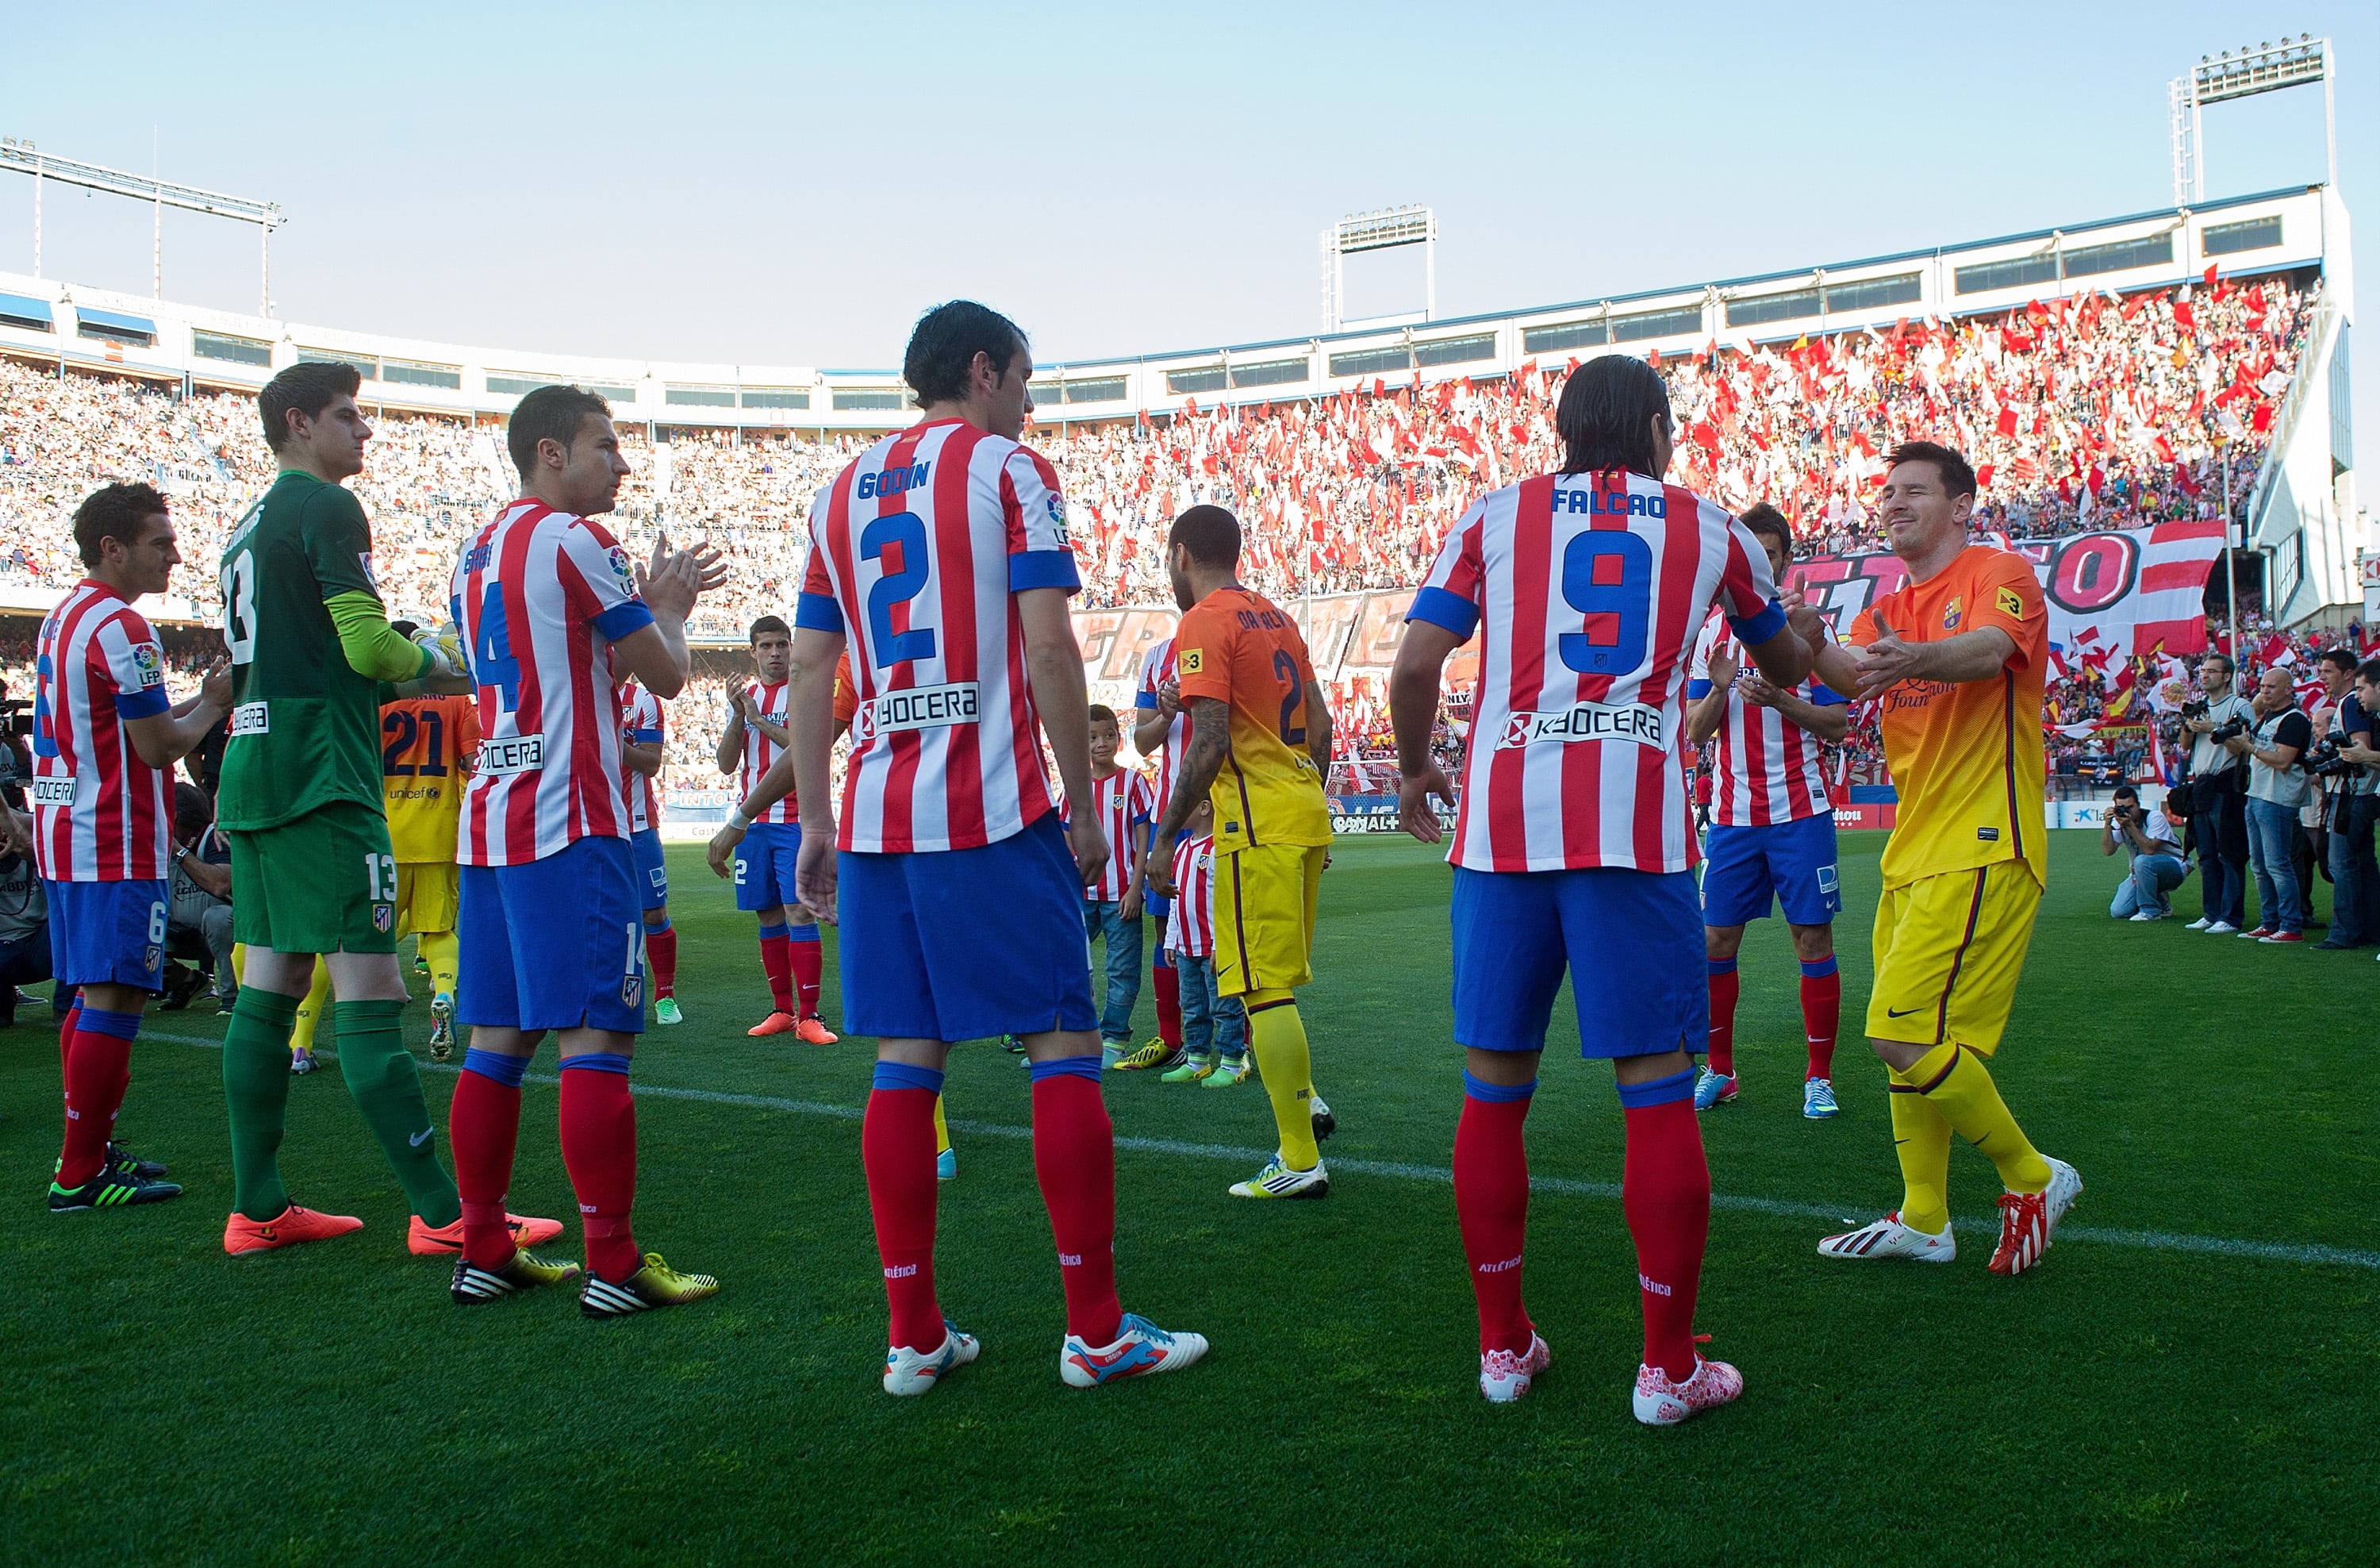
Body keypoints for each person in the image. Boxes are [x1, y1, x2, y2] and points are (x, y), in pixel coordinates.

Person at [710, 299, 1204, 1393]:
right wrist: (1083, 801)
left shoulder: (837, 493)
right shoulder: (1007, 472)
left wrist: (822, 822)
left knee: (903, 1064)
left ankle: (914, 1335)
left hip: (881, 818)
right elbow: (1046, 646)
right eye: (1025, 380)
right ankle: (1096, 1330)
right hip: (990, 811)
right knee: (1063, 1047)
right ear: (982, 371)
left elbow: (808, 670)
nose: (1029, 404)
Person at [1389, 353, 1814, 1420]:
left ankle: (1502, 1350)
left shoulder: (1496, 515)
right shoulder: (1710, 527)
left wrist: (1411, 768)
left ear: (1567, 429)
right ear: (1659, 430)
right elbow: (1787, 662)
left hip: (1501, 836)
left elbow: (1413, 667)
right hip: (1638, 832)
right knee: (1658, 1096)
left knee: (1493, 1095)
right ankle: (1667, 1369)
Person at [214, 362, 560, 1260]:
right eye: (347, 416)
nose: (364, 433)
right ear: (299, 422)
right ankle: (446, 1214)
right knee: (371, 987)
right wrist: (443, 659)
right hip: (322, 771)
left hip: (253, 767)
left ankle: (257, 1206)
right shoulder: (325, 507)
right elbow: (368, 648)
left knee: (273, 980)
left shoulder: (244, 525)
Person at [444, 383, 726, 1313]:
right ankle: (613, 1262)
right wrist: (669, 604)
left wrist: (641, 609)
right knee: (597, 1037)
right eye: (606, 444)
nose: (622, 461)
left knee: (497, 1039)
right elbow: (669, 673)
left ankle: (483, 1247)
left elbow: (576, 663)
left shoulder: (475, 553)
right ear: (551, 453)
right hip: (574, 818)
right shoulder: (578, 540)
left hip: (491, 821)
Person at [1803, 441, 2082, 1276]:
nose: (1891, 503)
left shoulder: (2002, 571)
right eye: (1886, 492)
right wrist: (1805, 639)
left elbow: (1993, 650)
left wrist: (1918, 658)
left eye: (1912, 491)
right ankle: (1925, 1216)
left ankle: (2036, 1174)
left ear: (1961, 505)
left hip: (1984, 839)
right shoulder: (1880, 607)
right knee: (1918, 1036)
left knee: (1895, 1029)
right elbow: (1852, 677)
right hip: (1912, 850)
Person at [34, 482, 231, 1211]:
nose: (175, 556)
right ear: (112, 548)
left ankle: (83, 1153)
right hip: (110, 838)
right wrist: (214, 704)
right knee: (115, 996)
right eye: (161, 542)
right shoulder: (122, 625)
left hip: (69, 834)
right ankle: (80, 1173)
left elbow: (127, 726)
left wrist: (199, 704)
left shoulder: (67, 617)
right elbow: (157, 748)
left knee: (93, 995)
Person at [1142, 504, 1339, 1201]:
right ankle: (1305, 1102)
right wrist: (1304, 789)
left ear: (1181, 556)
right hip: (1302, 811)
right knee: (1275, 982)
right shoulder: (1274, 615)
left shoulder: (1204, 620)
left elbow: (1211, 740)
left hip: (1255, 825)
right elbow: (1322, 721)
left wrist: (1164, 836)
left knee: (1259, 988)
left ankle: (1297, 1157)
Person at [1683, 502, 1849, 1119]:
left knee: (1811, 939)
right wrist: (1723, 685)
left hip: (1800, 812)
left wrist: (1781, 700)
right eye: (1750, 554)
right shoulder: (1711, 636)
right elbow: (1696, 732)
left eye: (1771, 554)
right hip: (1731, 818)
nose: (1760, 563)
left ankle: (1819, 1077)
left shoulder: (1809, 628)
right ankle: (1720, 1071)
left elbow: (1837, 723)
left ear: (1782, 561)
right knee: (1716, 940)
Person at [718, 615, 835, 1042]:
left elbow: (809, 749)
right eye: (765, 646)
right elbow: (727, 763)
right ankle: (782, 1010)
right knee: (768, 914)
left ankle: (810, 1015)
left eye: (781, 645)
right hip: (754, 827)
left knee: (799, 911)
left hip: (795, 821)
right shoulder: (746, 697)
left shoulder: (803, 690)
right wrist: (738, 718)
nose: (775, 654)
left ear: (791, 648)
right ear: (753, 651)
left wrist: (760, 721)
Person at [379, 633, 478, 1056]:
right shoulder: (457, 702)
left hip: (382, 834)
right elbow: (475, 762)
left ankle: (302, 1042)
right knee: (439, 931)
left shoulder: (376, 700)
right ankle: (445, 997)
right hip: (439, 832)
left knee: (361, 935)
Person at [1123, 634, 1191, 1069]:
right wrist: (1168, 714)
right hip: (1173, 819)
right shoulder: (1159, 656)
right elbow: (1143, 741)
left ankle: (1233, 1044)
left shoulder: (1239, 638)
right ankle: (1170, 1038)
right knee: (1165, 927)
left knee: (1230, 929)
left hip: (1229, 814)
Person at [1075, 704, 1153, 1069]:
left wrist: (1136, 888)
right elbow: (1065, 836)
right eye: (1091, 737)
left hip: (1121, 895)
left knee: (1122, 970)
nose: (1101, 744)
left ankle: (1115, 1038)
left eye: (1108, 736)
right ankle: (1075, 1036)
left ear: (1119, 739)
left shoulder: (1133, 782)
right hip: (1082, 895)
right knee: (1069, 963)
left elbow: (1143, 841)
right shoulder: (1076, 787)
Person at [1157, 798, 1249, 1084]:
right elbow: (1176, 900)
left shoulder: (1221, 848)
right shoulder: (1182, 849)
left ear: (1206, 807)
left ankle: (1233, 1062)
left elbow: (1230, 901)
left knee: (1224, 1006)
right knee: (1193, 1005)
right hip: (1186, 947)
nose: (1176, 809)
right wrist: (1171, 940)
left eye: (1184, 803)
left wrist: (1224, 944)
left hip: (1213, 948)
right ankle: (1196, 1059)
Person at [2229, 665, 2311, 943]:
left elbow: (2283, 760)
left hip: (2277, 796)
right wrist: (2262, 697)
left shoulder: (2295, 720)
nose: (2264, 691)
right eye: (2262, 686)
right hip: (2258, 794)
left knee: (2278, 864)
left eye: (2271, 687)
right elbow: (2255, 706)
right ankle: (2271, 921)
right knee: (2261, 866)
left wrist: (2250, 747)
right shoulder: (2268, 717)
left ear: (2289, 689)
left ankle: (2291, 924)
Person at [2178, 651, 2253, 934]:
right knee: (2207, 854)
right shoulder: (2200, 707)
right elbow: (2185, 746)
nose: (2205, 675)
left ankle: (2231, 916)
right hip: (2202, 784)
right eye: (2202, 671)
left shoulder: (2240, 705)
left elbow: (2243, 748)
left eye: (2211, 671)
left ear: (2227, 676)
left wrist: (2214, 729)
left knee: (2229, 853)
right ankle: (2212, 912)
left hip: (2226, 784)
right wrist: (2189, 724)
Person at [620, 677, 681, 1021]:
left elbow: (650, 763)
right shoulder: (577, 693)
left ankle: (665, 997)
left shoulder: (643, 700)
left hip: (638, 824)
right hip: (589, 824)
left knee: (653, 914)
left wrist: (610, 733)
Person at [2311, 649, 2378, 951]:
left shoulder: (2350, 702)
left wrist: (2333, 756)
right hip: (2359, 794)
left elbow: (2359, 750)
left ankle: (2344, 932)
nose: (2321, 677)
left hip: (2350, 793)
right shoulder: (2348, 703)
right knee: (2362, 865)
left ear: (2348, 674)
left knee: (2343, 865)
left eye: (2327, 671)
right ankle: (2368, 928)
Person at [164, 782, 236, 1008]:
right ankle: (189, 981)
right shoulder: (159, 843)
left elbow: (220, 884)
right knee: (133, 934)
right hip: (181, 933)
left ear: (174, 816)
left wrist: (178, 851)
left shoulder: (216, 837)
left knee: (217, 918)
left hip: (230, 933)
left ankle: (232, 996)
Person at [2100, 785, 2188, 920]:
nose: (2126, 812)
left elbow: (2149, 849)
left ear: (2138, 805)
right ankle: (2161, 901)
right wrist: (2107, 824)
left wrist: (2130, 825)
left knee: (2141, 860)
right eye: (2121, 808)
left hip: (2175, 866)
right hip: (2141, 872)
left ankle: (2150, 910)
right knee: (2119, 911)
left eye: (2130, 807)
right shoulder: (2119, 823)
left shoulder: (2153, 817)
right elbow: (2108, 850)